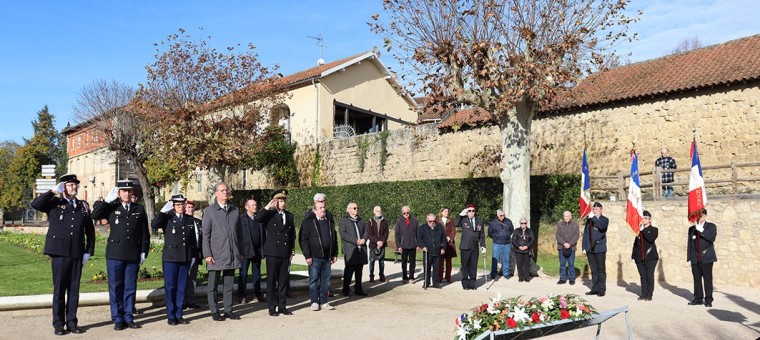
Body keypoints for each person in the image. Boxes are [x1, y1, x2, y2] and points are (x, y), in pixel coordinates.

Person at [31, 173, 95, 336]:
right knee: (59, 289)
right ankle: (58, 324)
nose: (74, 187)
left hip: (76, 252)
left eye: (75, 185)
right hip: (59, 253)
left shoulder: (83, 206)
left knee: (74, 289)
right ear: (63, 187)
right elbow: (35, 204)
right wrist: (52, 191)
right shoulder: (53, 203)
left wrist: (88, 251)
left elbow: (90, 231)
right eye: (70, 184)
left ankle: (72, 322)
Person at [91, 179, 150, 331]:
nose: (127, 193)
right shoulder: (112, 207)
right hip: (115, 254)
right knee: (116, 287)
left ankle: (129, 316)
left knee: (130, 287)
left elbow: (144, 232)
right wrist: (106, 201)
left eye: (129, 191)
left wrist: (144, 250)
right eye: (124, 191)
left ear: (132, 193)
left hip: (132, 253)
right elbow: (95, 215)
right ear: (119, 193)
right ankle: (117, 318)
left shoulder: (139, 209)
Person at [151, 194, 196, 325]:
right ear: (173, 206)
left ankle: (179, 314)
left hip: (185, 257)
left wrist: (193, 255)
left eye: (182, 204)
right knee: (171, 287)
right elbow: (154, 224)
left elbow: (192, 240)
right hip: (170, 258)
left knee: (181, 287)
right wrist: (162, 211)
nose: (181, 207)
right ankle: (171, 315)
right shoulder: (167, 218)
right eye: (178, 205)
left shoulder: (189, 219)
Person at [202, 182, 243, 321]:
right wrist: (207, 254)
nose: (225, 192)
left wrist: (240, 251)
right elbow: (205, 235)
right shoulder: (209, 211)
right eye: (222, 190)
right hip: (215, 254)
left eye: (227, 190)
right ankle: (214, 310)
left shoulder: (234, 210)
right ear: (216, 193)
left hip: (232, 253)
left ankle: (228, 310)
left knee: (229, 285)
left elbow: (240, 233)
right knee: (212, 285)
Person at [255, 189, 296, 316]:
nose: (282, 203)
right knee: (271, 281)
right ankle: (272, 307)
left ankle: (282, 306)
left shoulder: (289, 215)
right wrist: (267, 206)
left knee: (283, 280)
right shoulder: (269, 214)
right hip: (272, 252)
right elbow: (257, 218)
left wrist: (292, 250)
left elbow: (292, 234)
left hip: (284, 252)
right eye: (280, 201)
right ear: (275, 202)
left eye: (283, 201)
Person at [299, 199, 338, 311]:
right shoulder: (308, 222)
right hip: (314, 257)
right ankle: (314, 301)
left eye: (324, 207)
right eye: (320, 208)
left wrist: (334, 253)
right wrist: (307, 255)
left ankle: (324, 302)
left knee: (325, 281)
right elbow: (303, 240)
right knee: (314, 280)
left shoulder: (329, 222)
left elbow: (334, 239)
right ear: (314, 211)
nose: (323, 209)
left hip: (327, 257)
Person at [687, 209, 717, 307]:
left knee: (707, 279)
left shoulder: (711, 226)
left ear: (705, 216)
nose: (699, 217)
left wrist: (702, 231)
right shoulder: (692, 229)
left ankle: (708, 299)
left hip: (707, 257)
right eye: (698, 215)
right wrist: (689, 258)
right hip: (695, 258)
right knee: (697, 279)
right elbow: (690, 244)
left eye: (701, 215)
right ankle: (698, 298)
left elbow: (712, 238)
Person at [339, 202, 369, 297]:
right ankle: (345, 290)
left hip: (361, 249)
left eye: (357, 208)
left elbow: (366, 231)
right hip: (351, 249)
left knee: (359, 271)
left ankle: (358, 289)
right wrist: (356, 241)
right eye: (354, 208)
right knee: (349, 271)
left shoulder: (361, 220)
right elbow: (343, 234)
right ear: (349, 209)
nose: (356, 210)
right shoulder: (344, 220)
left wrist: (364, 239)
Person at [238, 198, 265, 304]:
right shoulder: (241, 219)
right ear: (246, 207)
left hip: (257, 251)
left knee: (257, 274)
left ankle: (257, 294)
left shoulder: (259, 218)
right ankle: (242, 295)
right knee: (243, 274)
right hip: (245, 251)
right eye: (252, 205)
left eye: (255, 204)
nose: (255, 206)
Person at [456, 204, 486, 290]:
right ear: (466, 212)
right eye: (469, 211)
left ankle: (472, 283)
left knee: (473, 266)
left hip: (474, 246)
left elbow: (482, 234)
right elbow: (456, 224)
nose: (471, 212)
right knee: (465, 265)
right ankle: (465, 283)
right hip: (465, 246)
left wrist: (483, 245)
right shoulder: (463, 220)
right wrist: (460, 215)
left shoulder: (479, 220)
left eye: (473, 211)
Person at [582, 202, 609, 297]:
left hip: (599, 248)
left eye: (597, 209)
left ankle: (602, 289)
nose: (595, 211)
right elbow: (585, 234)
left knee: (601, 270)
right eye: (593, 209)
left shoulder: (604, 219)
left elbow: (602, 228)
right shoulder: (589, 221)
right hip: (590, 249)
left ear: (601, 210)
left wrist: (593, 218)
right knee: (594, 270)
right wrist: (584, 247)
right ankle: (595, 288)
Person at [632, 210, 658, 301]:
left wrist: (643, 230)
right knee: (643, 276)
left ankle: (649, 294)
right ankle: (643, 293)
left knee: (649, 275)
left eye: (646, 218)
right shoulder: (638, 231)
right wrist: (633, 255)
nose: (644, 219)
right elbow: (635, 244)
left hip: (651, 257)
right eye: (643, 218)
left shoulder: (654, 230)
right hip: (639, 257)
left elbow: (651, 239)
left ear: (650, 220)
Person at [417, 213, 447, 288]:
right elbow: (419, 239)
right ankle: (426, 282)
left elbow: (443, 238)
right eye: (430, 221)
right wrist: (423, 246)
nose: (432, 223)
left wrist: (443, 248)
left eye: (433, 221)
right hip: (428, 251)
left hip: (437, 251)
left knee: (437, 268)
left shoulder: (439, 227)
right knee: (427, 268)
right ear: (427, 220)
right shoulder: (422, 228)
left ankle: (436, 283)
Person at [183, 200, 203, 310]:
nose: (191, 209)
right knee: (183, 278)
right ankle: (182, 301)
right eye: (188, 207)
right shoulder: (182, 220)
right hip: (184, 254)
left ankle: (191, 301)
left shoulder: (198, 222)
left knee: (192, 278)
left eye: (192, 207)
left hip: (195, 254)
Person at [394, 206, 419, 283]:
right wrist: (398, 246)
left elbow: (418, 233)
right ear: (402, 213)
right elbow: (397, 234)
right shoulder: (399, 221)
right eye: (404, 213)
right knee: (404, 262)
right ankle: (404, 277)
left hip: (412, 245)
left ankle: (411, 277)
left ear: (409, 212)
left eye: (407, 213)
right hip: (403, 245)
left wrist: (418, 244)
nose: (406, 214)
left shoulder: (415, 220)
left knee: (412, 262)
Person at [488, 209, 514, 280]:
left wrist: (508, 235)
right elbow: (490, 232)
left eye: (503, 215)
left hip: (506, 243)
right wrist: (495, 237)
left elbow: (512, 229)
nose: (502, 216)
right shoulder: (493, 222)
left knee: (506, 258)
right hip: (496, 243)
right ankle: (493, 273)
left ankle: (506, 273)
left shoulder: (508, 221)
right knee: (495, 259)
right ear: (497, 215)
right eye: (501, 215)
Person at [556, 211, 580, 285]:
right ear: (563, 217)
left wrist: (570, 244)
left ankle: (572, 279)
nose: (566, 218)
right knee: (562, 264)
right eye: (565, 216)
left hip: (571, 248)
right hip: (561, 247)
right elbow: (557, 235)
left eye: (568, 216)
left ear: (571, 216)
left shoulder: (575, 225)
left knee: (571, 264)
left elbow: (576, 236)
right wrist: (564, 243)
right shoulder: (559, 224)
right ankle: (562, 278)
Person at [367, 205, 389, 283]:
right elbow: (369, 234)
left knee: (382, 262)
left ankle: (381, 276)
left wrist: (381, 242)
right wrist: (377, 242)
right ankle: (371, 276)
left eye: (380, 211)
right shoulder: (370, 221)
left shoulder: (385, 221)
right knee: (372, 261)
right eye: (377, 211)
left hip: (382, 244)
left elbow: (386, 233)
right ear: (374, 212)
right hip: (373, 245)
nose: (379, 212)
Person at [437, 207, 457, 284]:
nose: (447, 213)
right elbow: (436, 230)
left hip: (449, 243)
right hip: (440, 243)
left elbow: (453, 230)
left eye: (447, 211)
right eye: (445, 211)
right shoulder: (437, 221)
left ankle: (448, 277)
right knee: (440, 261)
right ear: (441, 212)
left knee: (449, 261)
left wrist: (450, 237)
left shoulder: (451, 220)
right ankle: (440, 277)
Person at [512, 217, 535, 282]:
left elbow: (532, 240)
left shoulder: (530, 231)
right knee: (519, 264)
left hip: (527, 250)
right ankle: (520, 277)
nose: (523, 224)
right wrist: (519, 246)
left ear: (526, 223)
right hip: (518, 250)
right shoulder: (516, 230)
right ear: (520, 223)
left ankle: (527, 278)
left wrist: (527, 246)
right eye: (522, 223)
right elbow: (514, 240)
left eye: (524, 223)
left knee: (526, 264)